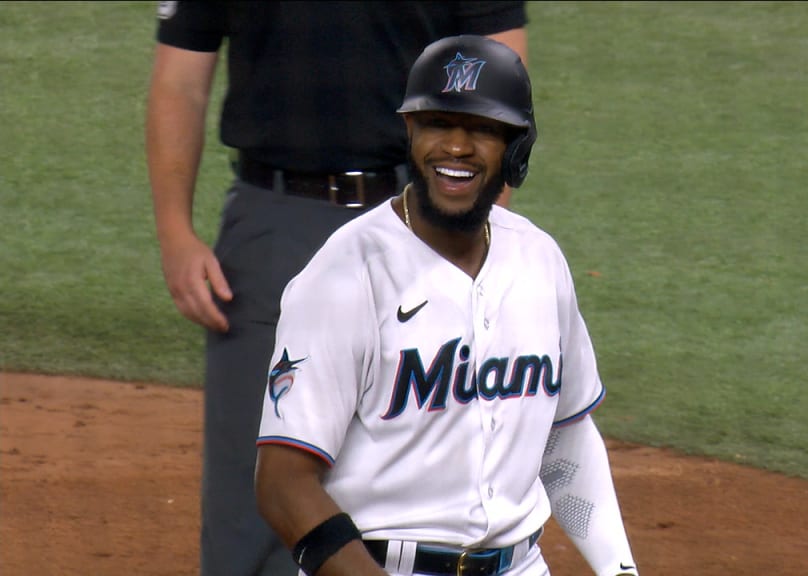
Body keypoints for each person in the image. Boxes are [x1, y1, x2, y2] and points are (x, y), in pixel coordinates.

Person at [145, 3, 527, 575]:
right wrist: (176, 234)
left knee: (419, 465)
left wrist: (471, 232)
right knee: (257, 482)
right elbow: (180, 79)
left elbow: (503, 73)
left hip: (418, 213)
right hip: (273, 223)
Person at [254, 35, 640, 576]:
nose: (456, 147)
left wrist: (619, 569)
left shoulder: (540, 261)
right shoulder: (344, 277)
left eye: (482, 129)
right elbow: (281, 483)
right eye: (437, 123)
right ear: (409, 132)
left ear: (516, 146)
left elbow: (564, 436)